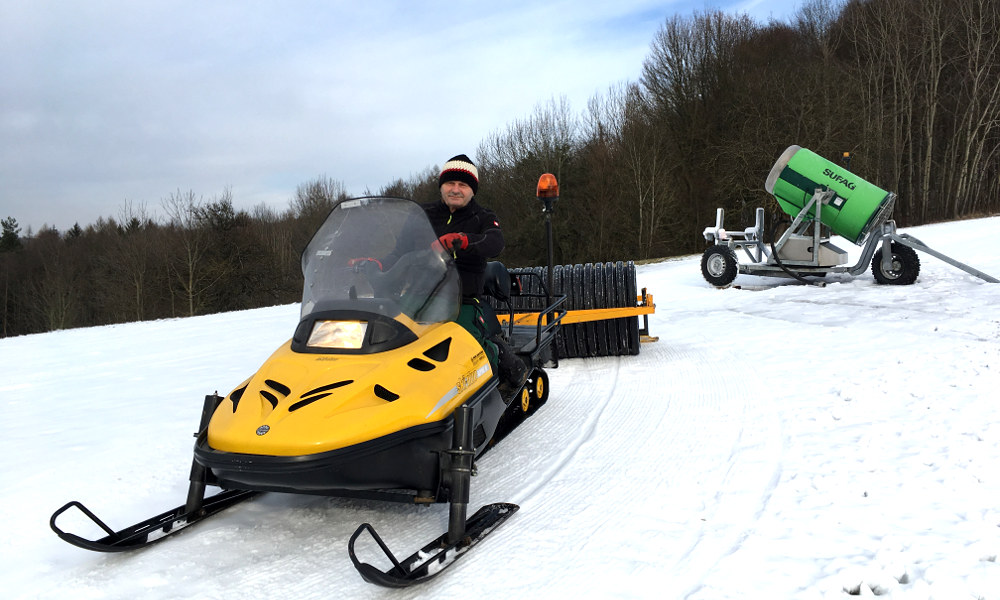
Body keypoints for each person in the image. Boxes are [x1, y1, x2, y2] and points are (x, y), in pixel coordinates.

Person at [428, 154, 529, 399]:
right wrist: (376, 261)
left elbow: (495, 241)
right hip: (420, 295)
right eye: (450, 183)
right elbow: (401, 244)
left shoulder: (482, 217)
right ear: (441, 186)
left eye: (463, 185)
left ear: (472, 190)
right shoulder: (424, 214)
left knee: (465, 342)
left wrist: (464, 240)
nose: (455, 189)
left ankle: (497, 357)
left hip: (461, 298)